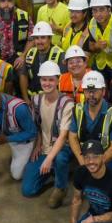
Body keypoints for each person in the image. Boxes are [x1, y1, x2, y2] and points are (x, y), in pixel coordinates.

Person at [22, 61, 74, 207]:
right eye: (44, 79)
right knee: (28, 190)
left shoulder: (67, 103)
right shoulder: (36, 100)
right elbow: (39, 126)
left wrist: (49, 158)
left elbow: (63, 136)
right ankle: (53, 172)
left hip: (63, 148)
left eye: (51, 79)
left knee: (61, 158)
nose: (47, 83)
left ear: (58, 80)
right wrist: (38, 144)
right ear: (39, 80)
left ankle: (61, 187)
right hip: (44, 148)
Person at [68, 71, 112, 173]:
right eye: (87, 90)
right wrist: (83, 161)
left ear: (103, 91)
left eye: (94, 91)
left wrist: (94, 164)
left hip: (108, 157)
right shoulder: (77, 110)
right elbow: (72, 137)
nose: (91, 95)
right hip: (86, 157)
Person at [19, 21, 63, 102]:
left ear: (50, 38)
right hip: (32, 100)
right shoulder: (30, 53)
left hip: (52, 100)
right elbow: (23, 75)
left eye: (43, 37)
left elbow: (62, 81)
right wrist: (25, 98)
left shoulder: (60, 55)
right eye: (36, 38)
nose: (39, 42)